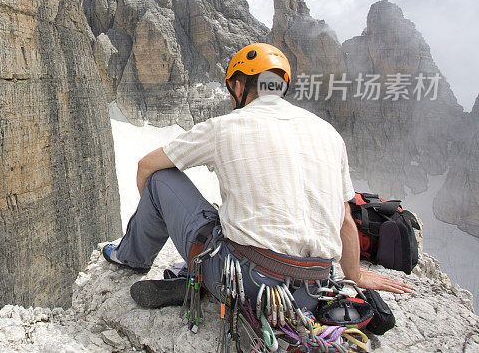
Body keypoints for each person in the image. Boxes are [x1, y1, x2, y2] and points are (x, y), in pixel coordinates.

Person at [103, 43, 412, 312]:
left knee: (160, 179)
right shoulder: (328, 133)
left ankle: (132, 259)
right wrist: (355, 275)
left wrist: (156, 211)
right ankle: (190, 276)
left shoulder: (224, 127)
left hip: (245, 284)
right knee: (225, 215)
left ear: (239, 86)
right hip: (314, 292)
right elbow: (345, 218)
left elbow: (146, 166)